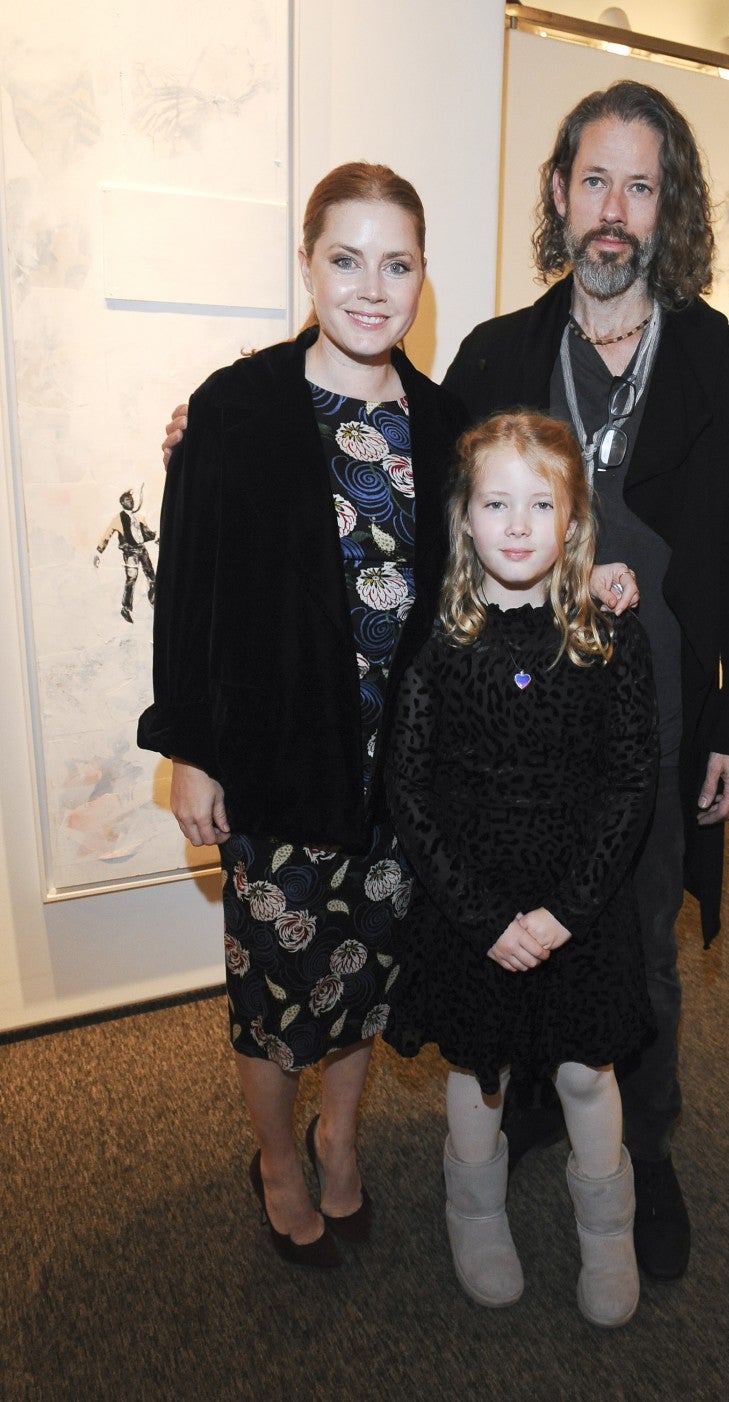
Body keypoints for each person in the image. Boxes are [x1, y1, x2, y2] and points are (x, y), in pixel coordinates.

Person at [441, 80, 729, 1281]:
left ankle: (646, 1145)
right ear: (559, 191)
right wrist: (231, 425)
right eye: (595, 181)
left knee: (637, 942)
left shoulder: (725, 365)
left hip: (660, 717)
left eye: (640, 185)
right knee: (522, 919)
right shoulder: (496, 354)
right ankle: (537, 1098)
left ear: (666, 203)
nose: (615, 211)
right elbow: (409, 469)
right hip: (516, 722)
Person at [138, 162, 467, 1267]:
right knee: (276, 992)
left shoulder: (448, 425)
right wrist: (189, 750)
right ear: (307, 264)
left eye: (397, 264)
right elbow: (187, 592)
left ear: (422, 276)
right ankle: (278, 1158)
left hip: (397, 778)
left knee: (366, 979)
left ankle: (340, 1138)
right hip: (275, 764)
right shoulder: (234, 409)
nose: (372, 288)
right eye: (346, 259)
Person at [383, 410, 658, 1327]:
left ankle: (608, 1228)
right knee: (481, 1070)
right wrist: (484, 919)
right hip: (476, 909)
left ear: (575, 520)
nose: (516, 524)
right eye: (495, 503)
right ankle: (474, 1211)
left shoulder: (609, 636)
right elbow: (410, 791)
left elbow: (632, 784)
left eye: (541, 504)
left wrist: (566, 912)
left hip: (581, 905)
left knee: (585, 1072)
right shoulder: (438, 643)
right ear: (464, 517)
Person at [94, 486, 157, 623]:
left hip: (142, 550)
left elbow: (146, 533)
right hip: (130, 553)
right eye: (128, 499)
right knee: (131, 578)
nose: (131, 501)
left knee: (152, 576)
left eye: (132, 499)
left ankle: (154, 599)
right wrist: (98, 552)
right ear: (122, 502)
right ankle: (126, 608)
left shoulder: (139, 517)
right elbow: (107, 534)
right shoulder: (118, 519)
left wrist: (156, 537)